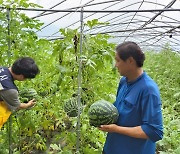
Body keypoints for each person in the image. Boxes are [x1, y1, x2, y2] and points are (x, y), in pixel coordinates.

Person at [99, 41, 163, 154]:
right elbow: (119, 107)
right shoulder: (124, 81)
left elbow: (155, 131)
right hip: (111, 148)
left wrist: (116, 129)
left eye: (118, 60)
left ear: (130, 61)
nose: (115, 64)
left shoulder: (148, 90)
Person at [0, 57, 40, 128]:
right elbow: (17, 106)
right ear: (21, 76)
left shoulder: (2, 68)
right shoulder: (10, 90)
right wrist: (28, 105)